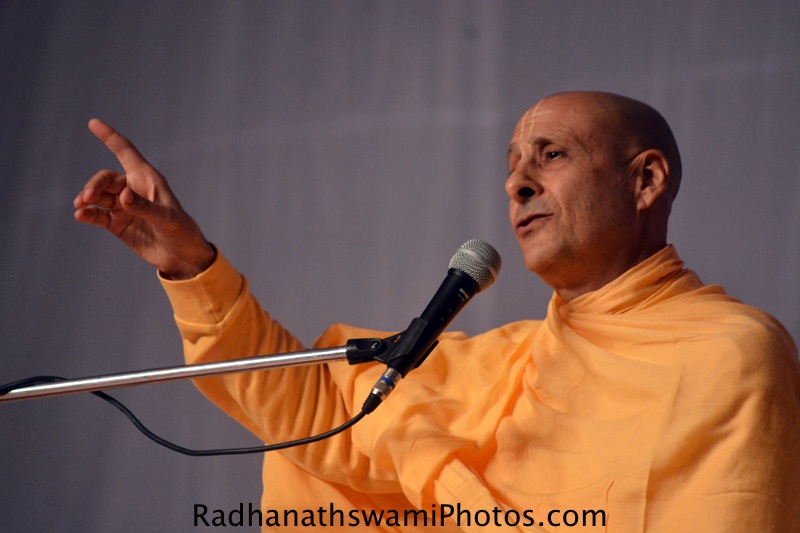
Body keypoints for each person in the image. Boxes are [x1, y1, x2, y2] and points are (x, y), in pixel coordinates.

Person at [74, 91, 800, 531]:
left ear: (645, 180)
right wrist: (187, 260)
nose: (517, 181)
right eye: (514, 161)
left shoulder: (731, 354)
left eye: (551, 155)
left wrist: (426, 459)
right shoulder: (503, 361)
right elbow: (309, 408)